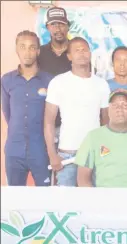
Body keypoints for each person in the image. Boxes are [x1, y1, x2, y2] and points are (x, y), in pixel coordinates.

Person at [44, 37, 111, 187]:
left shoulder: (101, 85)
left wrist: (103, 151)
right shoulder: (58, 82)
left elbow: (106, 121)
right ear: (69, 56)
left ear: (90, 53)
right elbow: (48, 121)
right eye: (77, 50)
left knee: (93, 203)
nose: (81, 53)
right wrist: (52, 154)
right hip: (67, 155)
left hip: (93, 154)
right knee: (66, 205)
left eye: (84, 49)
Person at [1, 30, 53, 186]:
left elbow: (52, 117)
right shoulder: (6, 80)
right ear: (17, 50)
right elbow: (8, 114)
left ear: (38, 51)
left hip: (41, 150)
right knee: (15, 199)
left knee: (46, 196)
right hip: (14, 150)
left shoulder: (49, 80)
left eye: (32, 47)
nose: (27, 52)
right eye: (22, 47)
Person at [75, 91, 127, 188]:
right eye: (115, 105)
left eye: (125, 105)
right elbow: (83, 180)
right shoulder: (93, 137)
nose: (120, 109)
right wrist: (96, 201)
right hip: (103, 200)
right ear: (108, 110)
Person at [37, 7, 73, 155]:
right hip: (47, 123)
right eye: (54, 24)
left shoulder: (77, 51)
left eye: (62, 24)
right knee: (48, 167)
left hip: (71, 124)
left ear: (68, 26)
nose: (58, 28)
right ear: (47, 27)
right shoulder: (39, 53)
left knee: (70, 173)